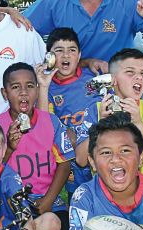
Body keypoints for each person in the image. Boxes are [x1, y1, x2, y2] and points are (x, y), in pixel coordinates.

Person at [0, 62, 74, 230]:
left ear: (37, 90)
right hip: (15, 204)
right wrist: (9, 148)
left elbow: (64, 163)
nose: (23, 93)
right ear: (4, 93)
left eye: (30, 86)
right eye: (15, 87)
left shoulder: (51, 121)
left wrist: (49, 199)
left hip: (49, 201)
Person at [76, 49, 143, 183]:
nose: (139, 77)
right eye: (130, 72)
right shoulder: (96, 110)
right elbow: (81, 160)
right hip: (104, 196)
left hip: (142, 196)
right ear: (113, 79)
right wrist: (101, 124)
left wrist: (138, 123)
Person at [36, 27, 99, 195]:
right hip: (75, 165)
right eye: (59, 50)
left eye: (72, 50)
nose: (65, 55)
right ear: (49, 56)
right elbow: (45, 127)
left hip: (101, 154)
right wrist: (43, 87)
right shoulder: (46, 87)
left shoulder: (94, 77)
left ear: (79, 56)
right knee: (78, 205)